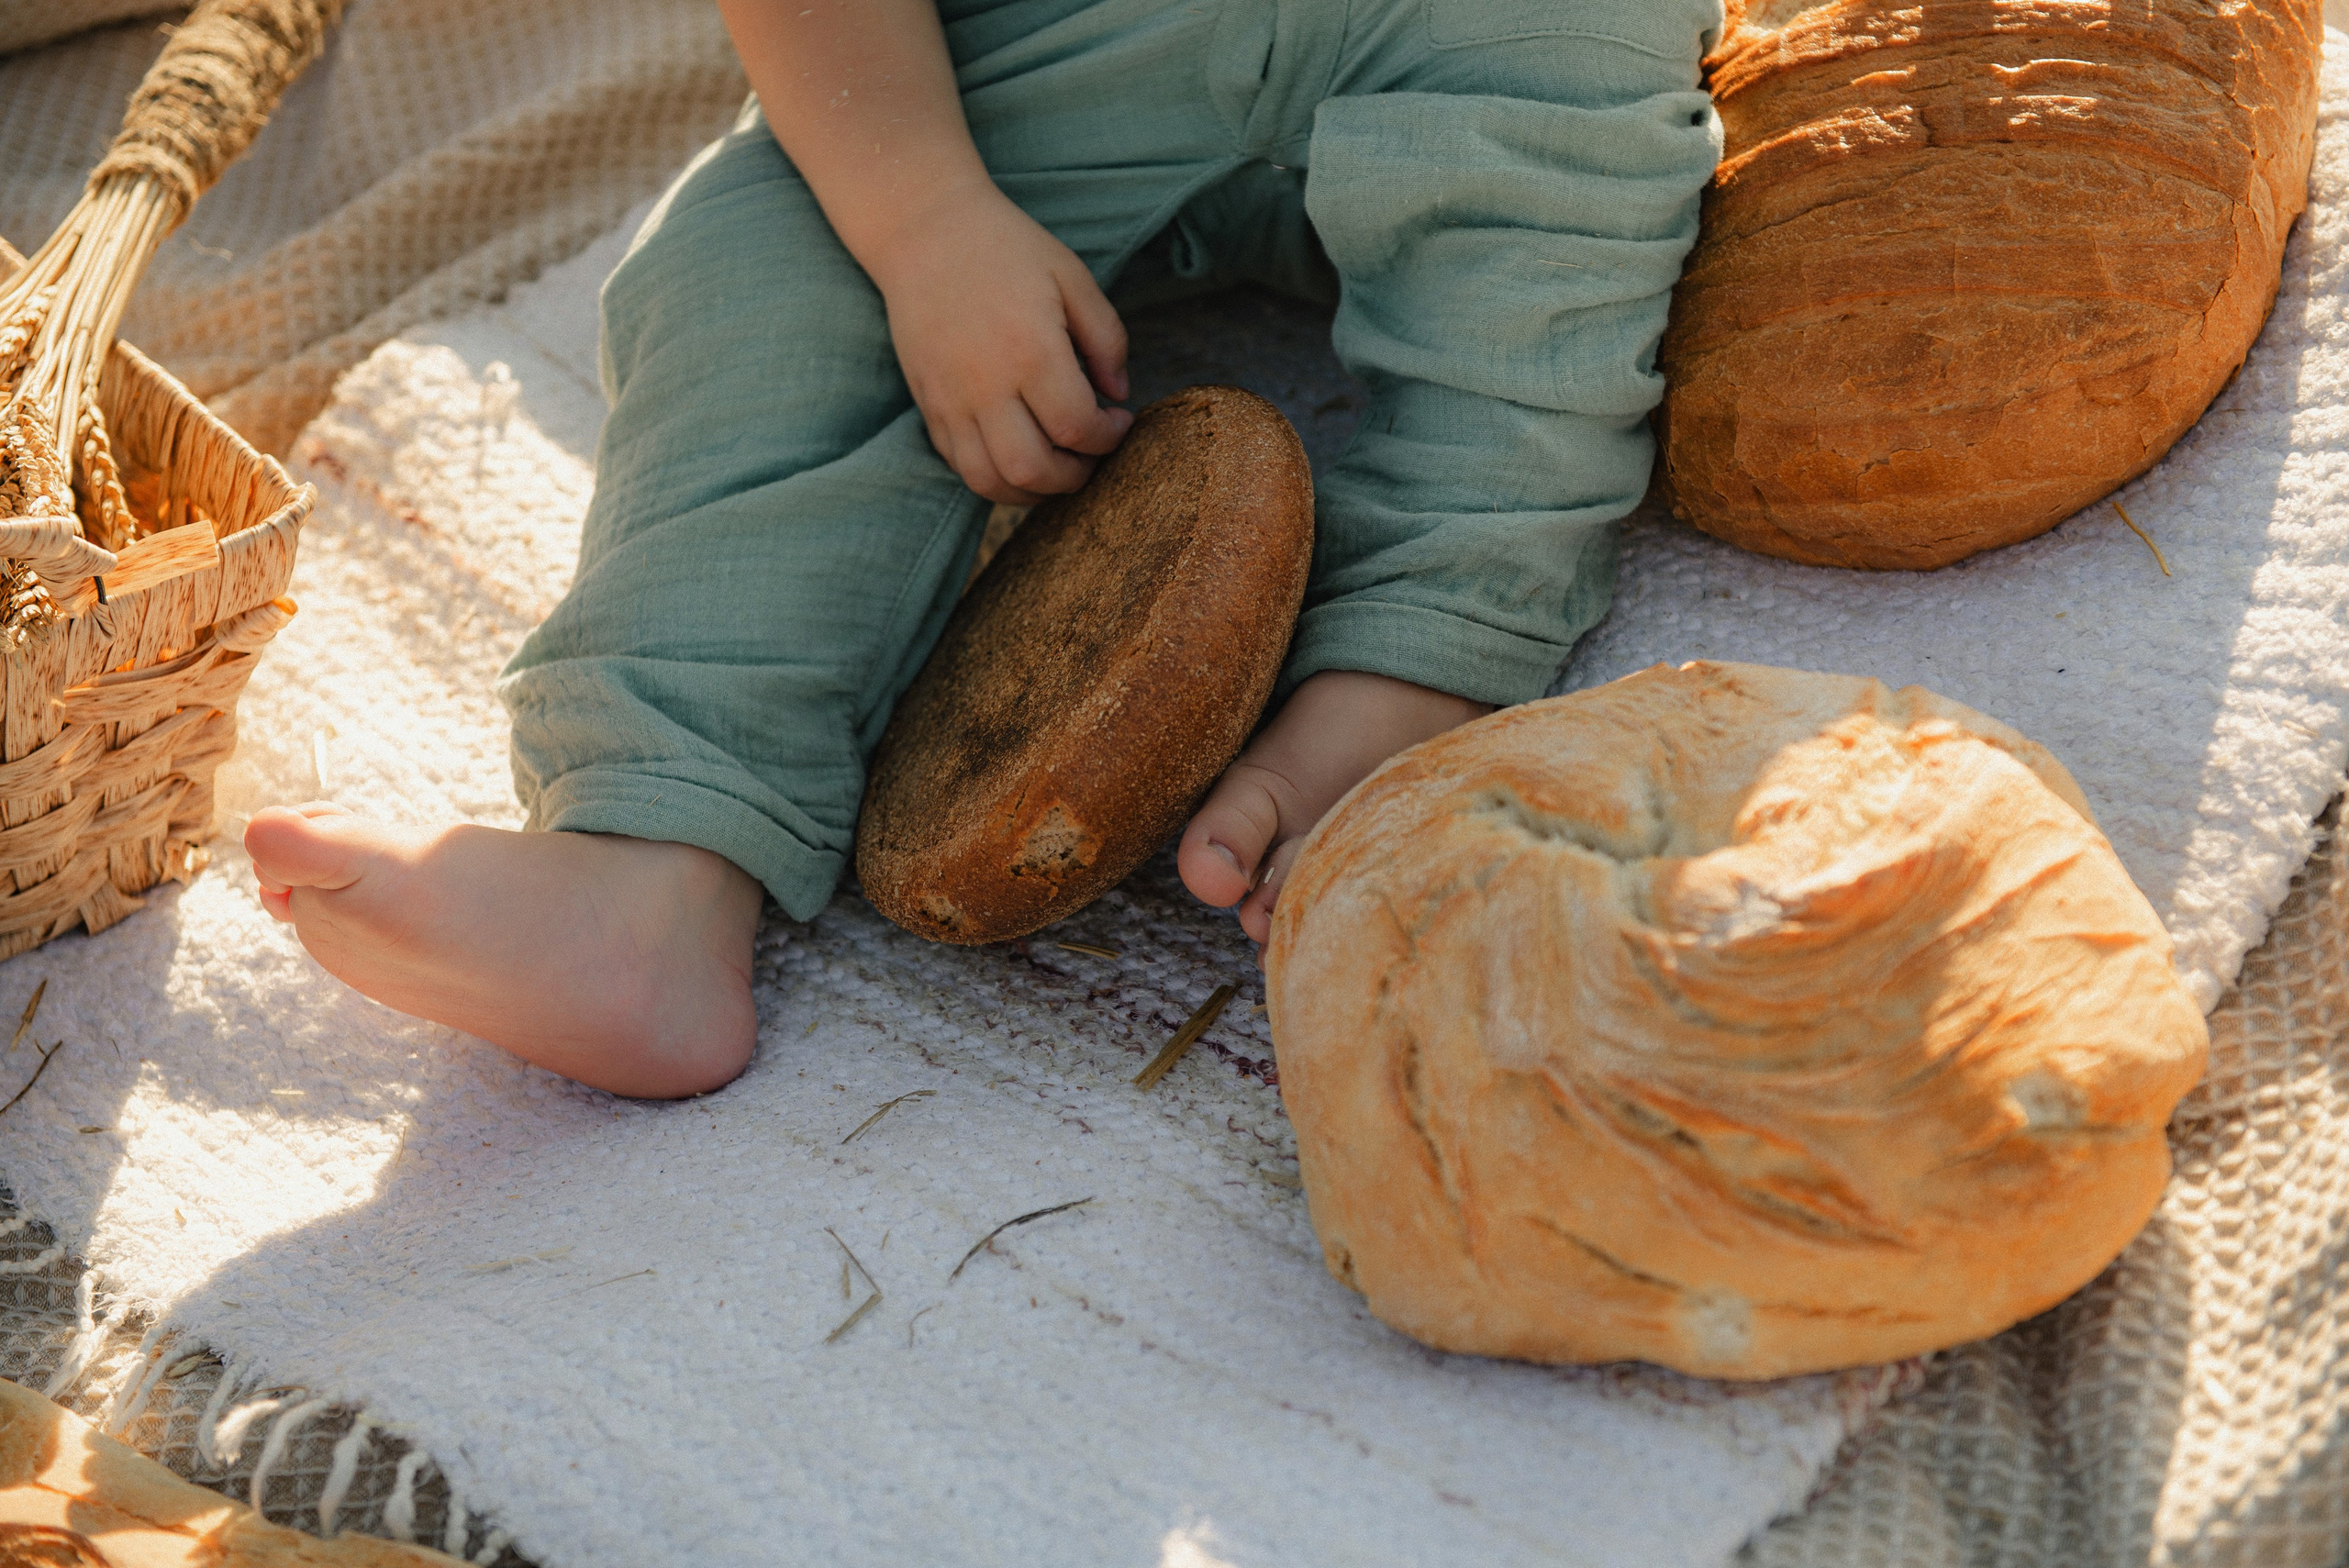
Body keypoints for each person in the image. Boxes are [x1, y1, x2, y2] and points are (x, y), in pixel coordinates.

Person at [244, 0, 1725, 1098]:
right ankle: (655, 871)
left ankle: (1415, 665)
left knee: (1561, 294)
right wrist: (925, 220)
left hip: (1501, 41)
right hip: (1050, 40)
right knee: (753, 273)